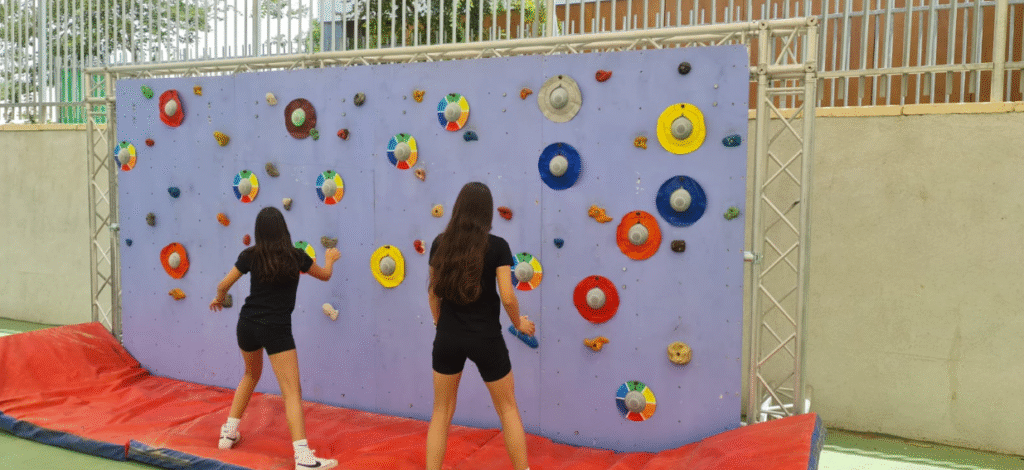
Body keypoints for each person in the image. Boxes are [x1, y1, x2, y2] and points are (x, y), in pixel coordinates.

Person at [209, 206, 340, 470]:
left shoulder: (250, 255)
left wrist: (219, 299)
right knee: (292, 391)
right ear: (284, 230)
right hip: (276, 328)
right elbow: (325, 276)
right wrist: (330, 259)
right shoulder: (296, 257)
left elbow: (223, 285)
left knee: (250, 374)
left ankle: (228, 433)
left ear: (259, 231)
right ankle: (303, 458)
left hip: (247, 324)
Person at [426, 182, 536, 470]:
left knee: (441, 412)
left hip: (448, 338)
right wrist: (519, 324)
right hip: (486, 338)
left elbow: (433, 293)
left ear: (458, 208)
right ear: (487, 213)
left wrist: (440, 324)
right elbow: (508, 296)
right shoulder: (497, 246)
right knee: (508, 409)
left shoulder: (440, 243)